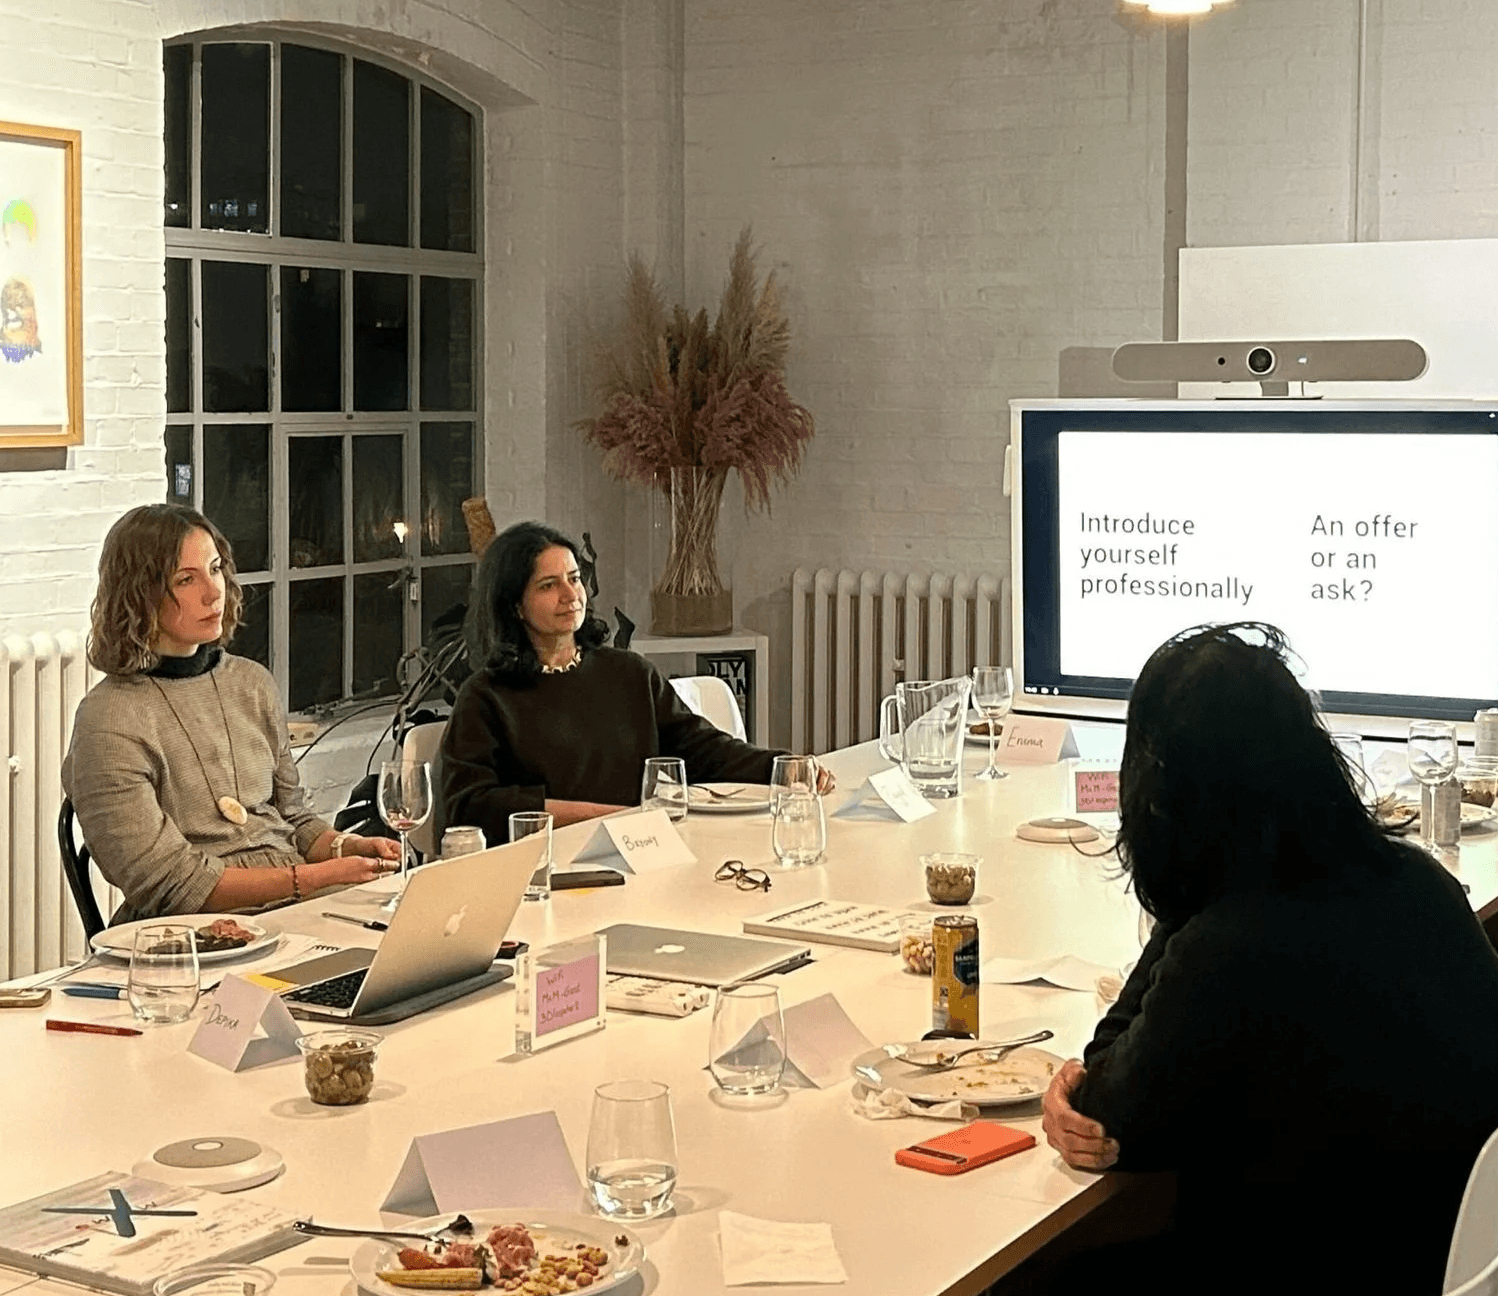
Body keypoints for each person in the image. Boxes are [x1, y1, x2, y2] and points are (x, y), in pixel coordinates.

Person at [1039, 622, 1498, 1295]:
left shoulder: (1226, 946)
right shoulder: (1419, 882)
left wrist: (1184, 889)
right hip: (1447, 1258)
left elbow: (1110, 1115)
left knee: (1055, 1278)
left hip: (1310, 1263)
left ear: (1162, 795)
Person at [62, 504, 401, 923]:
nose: (213, 591)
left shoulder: (250, 682)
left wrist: (343, 848)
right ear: (139, 595)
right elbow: (171, 886)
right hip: (191, 937)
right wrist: (310, 878)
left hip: (297, 908)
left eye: (216, 568)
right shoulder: (110, 719)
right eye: (186, 579)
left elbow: (291, 817)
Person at [441, 520, 831, 839]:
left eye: (574, 578)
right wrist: (606, 818)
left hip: (642, 847)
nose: (570, 594)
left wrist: (784, 767)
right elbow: (471, 804)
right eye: (548, 585)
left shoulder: (627, 672)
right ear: (514, 605)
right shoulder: (487, 696)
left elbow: (704, 750)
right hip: (545, 868)